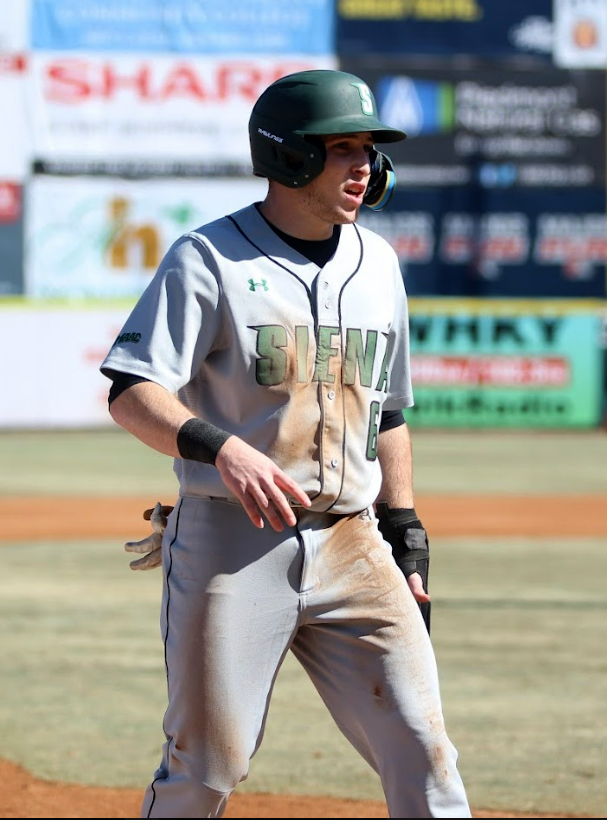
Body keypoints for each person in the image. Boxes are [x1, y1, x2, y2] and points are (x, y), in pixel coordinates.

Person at [100, 69, 470, 819]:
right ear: (290, 157)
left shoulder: (380, 266)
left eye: (369, 150)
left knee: (426, 756)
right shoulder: (209, 259)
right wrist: (220, 448)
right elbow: (131, 391)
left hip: (354, 546)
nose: (364, 166)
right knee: (206, 766)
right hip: (235, 545)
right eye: (342, 148)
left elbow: (388, 414)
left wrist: (404, 530)